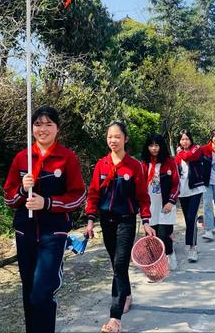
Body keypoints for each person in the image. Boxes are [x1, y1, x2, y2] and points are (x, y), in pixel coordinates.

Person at [3, 106, 86, 333]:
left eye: (49, 124)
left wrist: (47, 203)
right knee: (29, 293)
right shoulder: (22, 158)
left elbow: (77, 196)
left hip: (54, 234)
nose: (43, 129)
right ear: (32, 128)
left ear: (57, 128)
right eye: (38, 124)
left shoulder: (67, 158)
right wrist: (22, 190)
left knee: (42, 293)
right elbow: (8, 198)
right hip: (25, 233)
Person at [85, 122, 154, 333]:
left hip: (126, 220)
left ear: (126, 139)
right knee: (116, 265)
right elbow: (94, 194)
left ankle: (115, 319)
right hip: (106, 221)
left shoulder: (134, 166)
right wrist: (90, 219)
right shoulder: (101, 164)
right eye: (109, 137)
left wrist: (146, 221)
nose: (113, 141)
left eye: (117, 137)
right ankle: (127, 294)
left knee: (120, 264)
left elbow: (142, 196)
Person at [141, 133, 179, 270]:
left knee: (164, 235)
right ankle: (155, 264)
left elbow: (176, 184)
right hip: (149, 207)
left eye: (156, 145)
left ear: (161, 146)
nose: (154, 148)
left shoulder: (170, 162)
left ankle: (170, 254)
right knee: (151, 237)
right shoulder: (144, 164)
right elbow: (139, 186)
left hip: (166, 206)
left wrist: (171, 201)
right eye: (151, 145)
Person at [175, 129, 206, 262]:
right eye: (182, 139)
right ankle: (192, 243)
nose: (184, 141)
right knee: (187, 219)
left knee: (191, 217)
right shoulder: (177, 155)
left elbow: (189, 157)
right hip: (182, 190)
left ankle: (192, 248)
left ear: (191, 140)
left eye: (187, 139)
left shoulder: (196, 149)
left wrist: (180, 152)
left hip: (195, 189)